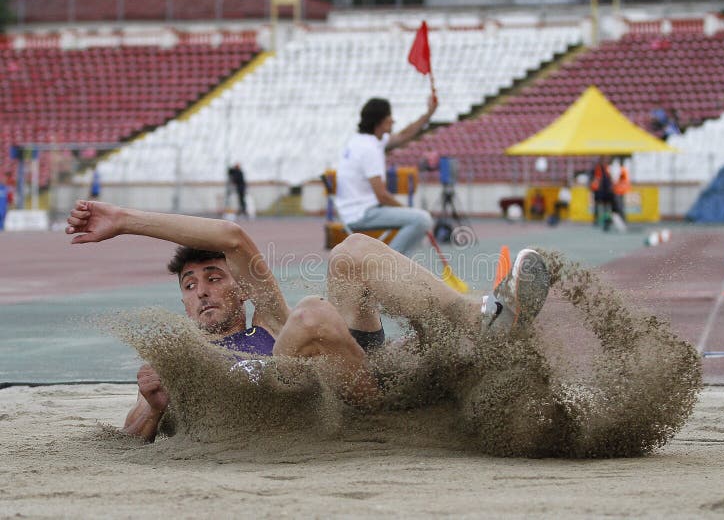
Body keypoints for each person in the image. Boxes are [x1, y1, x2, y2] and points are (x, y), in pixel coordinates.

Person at [65, 199, 551, 442]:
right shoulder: (185, 361)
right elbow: (129, 437)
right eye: (189, 287)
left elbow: (233, 237)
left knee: (352, 252)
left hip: (362, 380)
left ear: (240, 288)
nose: (202, 292)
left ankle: (485, 321)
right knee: (316, 314)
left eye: (213, 278)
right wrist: (153, 407)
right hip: (324, 416)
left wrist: (125, 220)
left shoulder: (271, 325)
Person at [335, 95, 437, 256]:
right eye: (390, 116)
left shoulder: (361, 141)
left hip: (353, 210)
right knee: (421, 219)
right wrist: (407, 210)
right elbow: (382, 196)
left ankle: (390, 263)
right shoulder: (369, 150)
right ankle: (390, 266)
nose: (393, 120)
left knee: (416, 217)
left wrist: (428, 114)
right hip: (362, 214)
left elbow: (404, 135)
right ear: (380, 121)